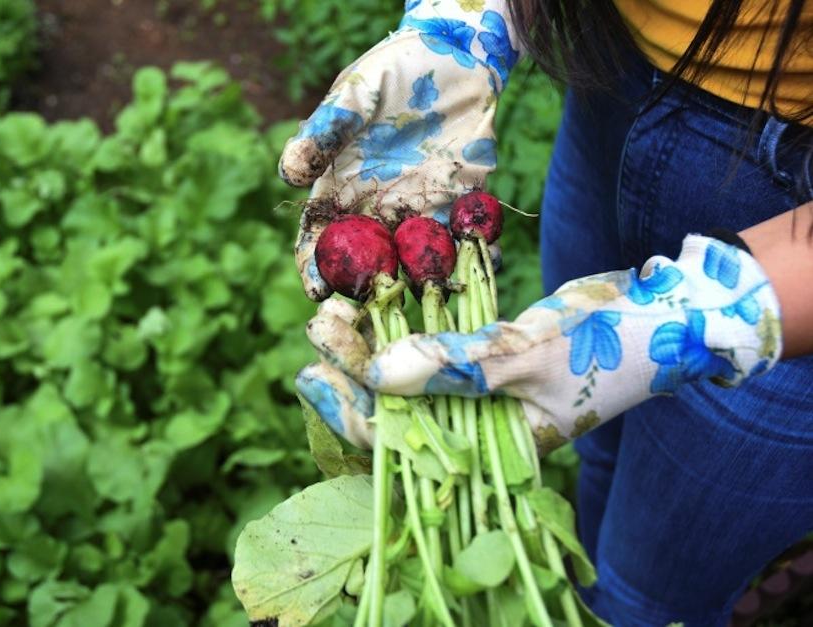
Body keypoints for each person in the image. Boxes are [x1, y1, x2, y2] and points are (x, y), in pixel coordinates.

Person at [281, 0, 813, 625]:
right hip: (612, 80)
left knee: (643, 600)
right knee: (599, 449)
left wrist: (720, 313)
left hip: (793, 198)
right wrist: (471, 22)